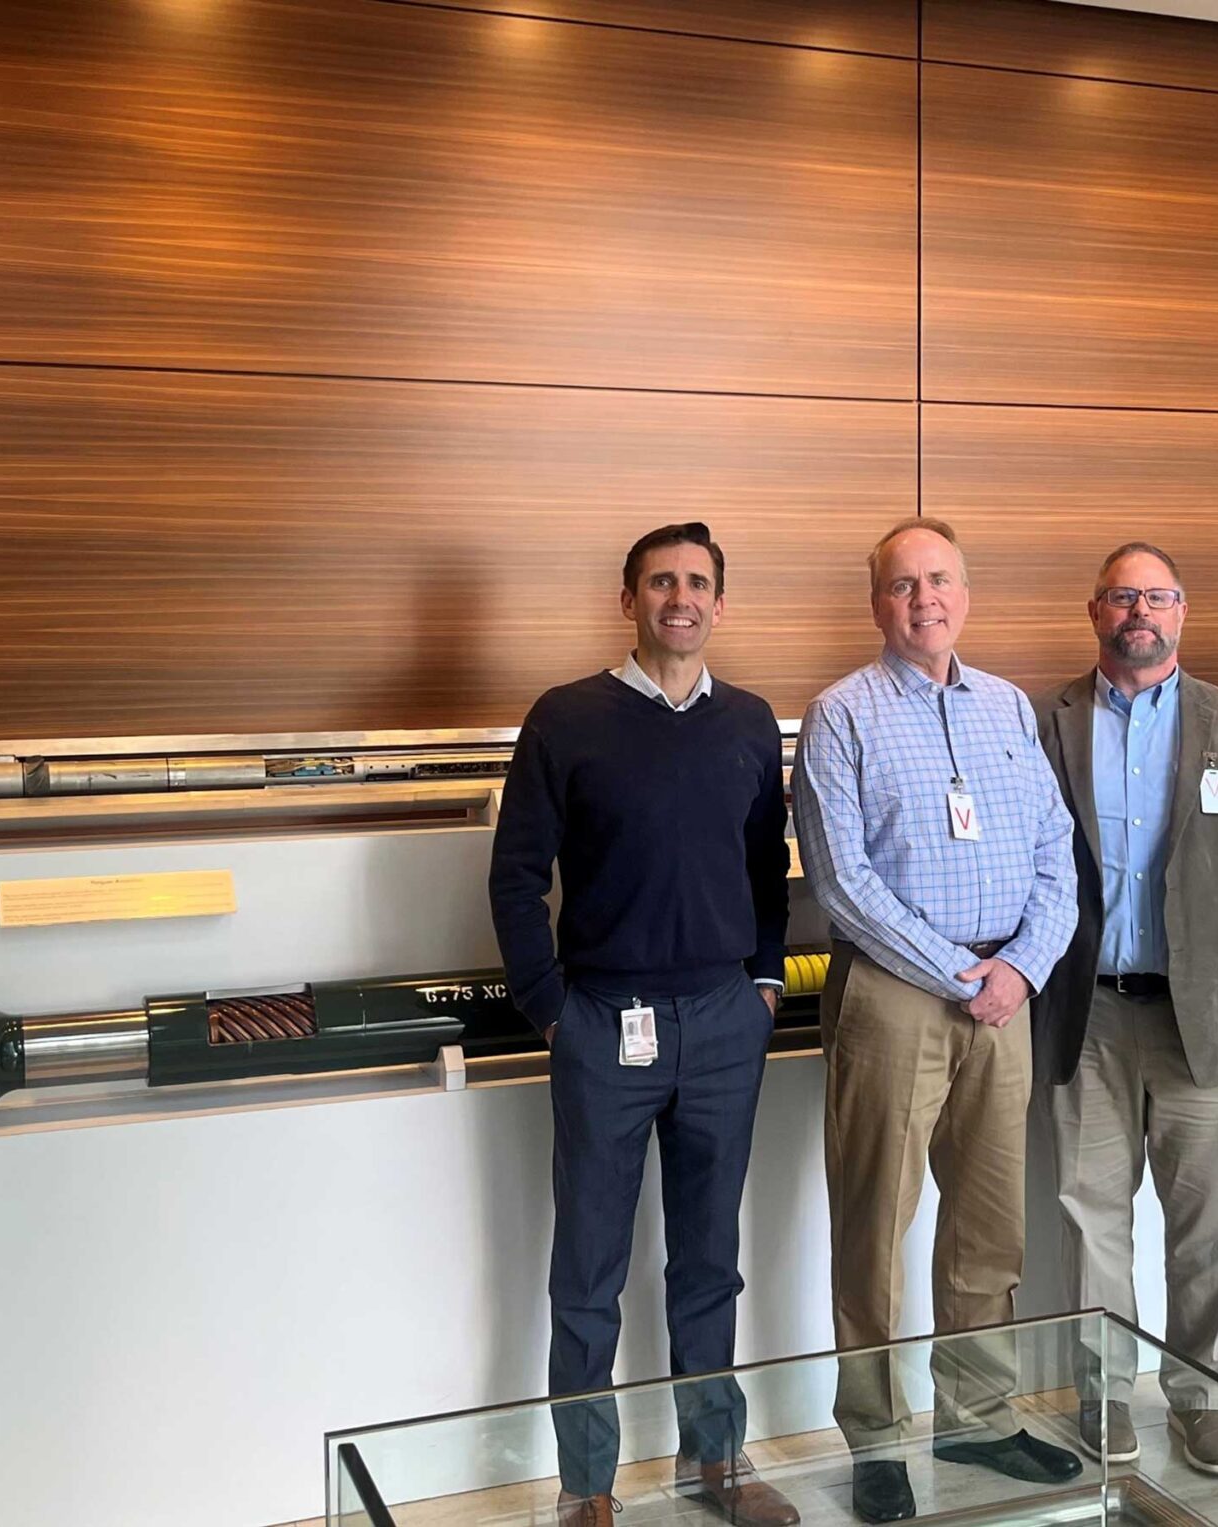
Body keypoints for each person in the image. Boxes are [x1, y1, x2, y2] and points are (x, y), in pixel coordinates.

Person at [489, 522, 799, 1527]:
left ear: (720, 602)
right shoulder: (566, 719)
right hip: (602, 1025)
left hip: (722, 1026)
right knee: (588, 1270)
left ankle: (717, 1463)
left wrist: (760, 987)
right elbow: (515, 875)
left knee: (708, 1259)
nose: (681, 597)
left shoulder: (750, 723)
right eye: (661, 581)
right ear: (628, 600)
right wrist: (548, 1007)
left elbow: (765, 871)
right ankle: (587, 1488)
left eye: (699, 582)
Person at [793, 518, 1082, 1525]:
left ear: (967, 591)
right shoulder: (841, 715)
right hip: (896, 998)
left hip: (1005, 997)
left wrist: (1020, 970)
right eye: (903, 583)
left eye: (941, 580)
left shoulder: (1006, 706)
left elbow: (1057, 848)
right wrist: (962, 972)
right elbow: (841, 881)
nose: (926, 598)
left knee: (988, 1225)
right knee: (874, 1225)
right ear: (877, 601)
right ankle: (876, 1438)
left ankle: (979, 1414)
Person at [1031, 542, 1218, 1477]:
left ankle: (1203, 1395)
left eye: (1156, 597)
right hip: (1088, 1018)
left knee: (1212, 1227)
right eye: (1123, 597)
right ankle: (1106, 1395)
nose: (1139, 613)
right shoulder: (1043, 722)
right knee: (1089, 1221)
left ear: (1182, 612)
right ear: (1095, 611)